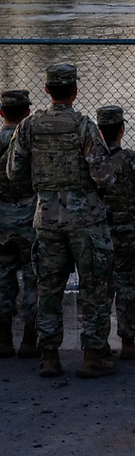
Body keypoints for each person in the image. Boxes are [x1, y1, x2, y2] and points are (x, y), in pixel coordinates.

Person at [5, 64, 116, 378]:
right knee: (93, 288)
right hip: (85, 221)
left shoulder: (28, 126)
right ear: (75, 91)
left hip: (46, 218)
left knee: (49, 288)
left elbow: (13, 172)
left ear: (46, 90)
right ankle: (92, 356)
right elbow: (104, 176)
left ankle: (49, 357)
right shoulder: (84, 126)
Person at [96, 106, 135, 360]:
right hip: (129, 235)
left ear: (99, 132)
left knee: (100, 288)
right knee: (128, 287)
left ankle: (98, 341)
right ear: (121, 130)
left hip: (98, 234)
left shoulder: (90, 161)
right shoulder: (133, 161)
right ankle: (128, 341)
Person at [0, 89, 38, 359]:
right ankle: (29, 338)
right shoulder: (32, 143)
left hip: (1, 222)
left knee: (3, 279)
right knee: (33, 279)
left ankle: (3, 339)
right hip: (31, 220)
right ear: (27, 113)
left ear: (1, 112)